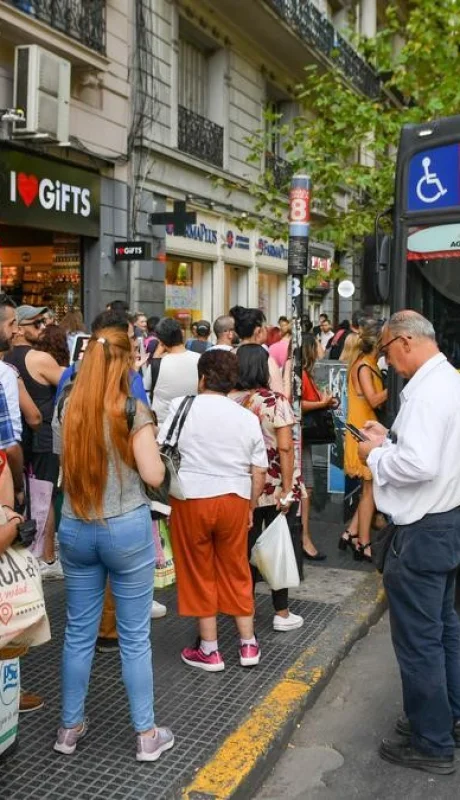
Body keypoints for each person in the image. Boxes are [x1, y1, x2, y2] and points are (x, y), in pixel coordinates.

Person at [54, 325, 173, 762]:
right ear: (124, 363)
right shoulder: (131, 410)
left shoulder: (67, 408)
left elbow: (60, 466)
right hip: (125, 527)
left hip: (76, 526)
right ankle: (146, 735)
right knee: (134, 637)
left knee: (79, 633)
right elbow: (155, 475)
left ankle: (69, 729)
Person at [359, 311, 460, 775]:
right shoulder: (450, 382)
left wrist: (376, 453)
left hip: (422, 530)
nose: (387, 362)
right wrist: (392, 439)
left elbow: (419, 465)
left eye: (386, 351)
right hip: (447, 521)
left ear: (404, 342)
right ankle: (447, 719)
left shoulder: (427, 392)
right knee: (443, 630)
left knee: (420, 641)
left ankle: (432, 741)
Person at [158, 349, 267, 670]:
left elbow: (162, 449)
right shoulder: (247, 417)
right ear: (232, 381)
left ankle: (210, 649)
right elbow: (258, 471)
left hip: (190, 498)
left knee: (198, 570)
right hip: (234, 498)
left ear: (202, 378)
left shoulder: (182, 407)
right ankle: (248, 645)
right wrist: (249, 506)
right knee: (236, 569)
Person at [231, 344, 304, 631]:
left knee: (245, 548)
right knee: (277, 546)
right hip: (274, 484)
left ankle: (244, 607)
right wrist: (288, 489)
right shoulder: (274, 401)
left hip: (243, 485)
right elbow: (285, 447)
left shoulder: (231, 401)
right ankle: (281, 613)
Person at [4, 305, 64, 576]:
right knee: (44, 496)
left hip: (19, 442)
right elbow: (72, 381)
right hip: (39, 437)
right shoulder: (39, 358)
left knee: (24, 497)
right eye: (36, 323)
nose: (42, 328)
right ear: (18, 328)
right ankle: (47, 557)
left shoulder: (8, 360)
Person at [340, 319, 387, 561]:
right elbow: (374, 400)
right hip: (364, 431)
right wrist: (397, 385)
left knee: (369, 491)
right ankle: (363, 543)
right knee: (370, 491)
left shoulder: (363, 363)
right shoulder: (365, 366)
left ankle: (350, 533)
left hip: (363, 429)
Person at [301, 335, 336, 561]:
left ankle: (303, 536)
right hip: (302, 439)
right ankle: (303, 537)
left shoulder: (306, 373)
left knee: (308, 487)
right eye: (318, 344)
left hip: (305, 438)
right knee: (307, 488)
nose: (322, 348)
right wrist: (323, 403)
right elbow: (299, 403)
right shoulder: (303, 374)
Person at [147, 318, 200, 425]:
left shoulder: (156, 365)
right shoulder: (200, 359)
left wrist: (156, 356)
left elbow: (146, 389)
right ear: (182, 334)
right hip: (192, 422)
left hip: (163, 426)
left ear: (161, 341)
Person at [230, 306, 283, 393]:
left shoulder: (228, 356)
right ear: (258, 331)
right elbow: (279, 395)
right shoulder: (266, 360)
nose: (267, 330)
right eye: (265, 328)